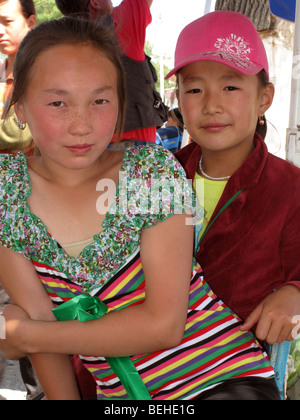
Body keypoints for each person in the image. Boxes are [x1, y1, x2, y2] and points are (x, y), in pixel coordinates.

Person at [0, 17, 278, 401]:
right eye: (57, 102)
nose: (81, 125)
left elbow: (163, 326)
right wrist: (29, 334)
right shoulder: (6, 192)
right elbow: (36, 317)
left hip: (220, 380)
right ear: (21, 108)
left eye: (100, 100)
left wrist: (24, 335)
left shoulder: (150, 173)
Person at [171, 11, 300, 346]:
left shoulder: (290, 188)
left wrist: (295, 293)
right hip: (146, 367)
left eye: (230, 86)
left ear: (264, 98)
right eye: (195, 89)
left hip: (236, 371)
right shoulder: (156, 178)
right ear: (179, 100)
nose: (212, 104)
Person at [55, 0, 168, 148]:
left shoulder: (60, 42)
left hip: (88, 148)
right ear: (94, 2)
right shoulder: (120, 21)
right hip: (134, 146)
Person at [0, 0, 36, 156]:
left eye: (7, 22)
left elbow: (19, 134)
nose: (0, 30)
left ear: (30, 22)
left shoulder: (40, 72)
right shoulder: (2, 70)